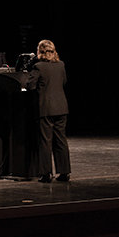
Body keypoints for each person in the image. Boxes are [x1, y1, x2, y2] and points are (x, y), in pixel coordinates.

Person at [24, 40, 71, 183]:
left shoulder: (38, 67)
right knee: (61, 140)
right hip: (61, 107)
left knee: (45, 141)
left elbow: (30, 85)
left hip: (45, 108)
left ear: (40, 51)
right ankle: (64, 172)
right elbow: (64, 82)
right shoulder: (61, 64)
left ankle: (45, 174)